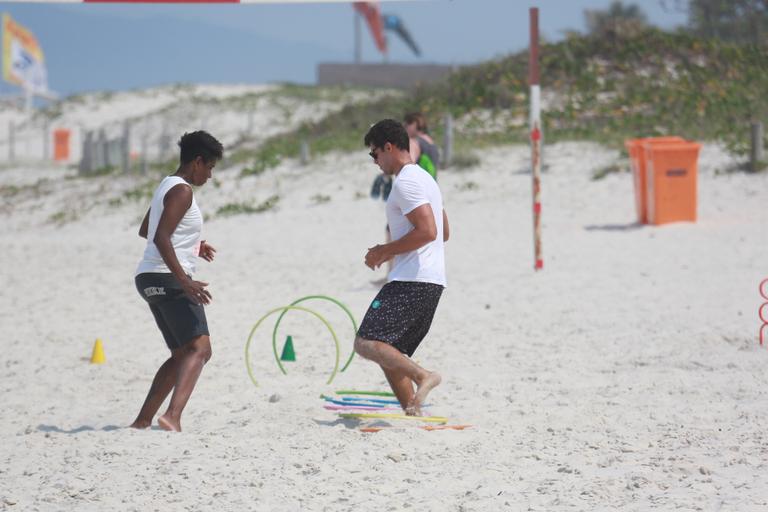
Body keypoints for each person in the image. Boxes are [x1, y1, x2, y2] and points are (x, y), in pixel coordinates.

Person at [130, 130, 223, 432]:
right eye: (209, 167)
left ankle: (143, 420)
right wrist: (184, 280)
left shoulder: (165, 185)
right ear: (197, 161)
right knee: (201, 349)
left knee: (181, 353)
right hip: (169, 279)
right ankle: (173, 416)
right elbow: (158, 235)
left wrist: (194, 245)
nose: (209, 175)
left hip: (148, 278)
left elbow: (148, 228)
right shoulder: (183, 191)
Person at [354, 119, 449, 415]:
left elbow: (429, 232)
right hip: (431, 281)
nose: (375, 161)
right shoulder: (427, 179)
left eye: (375, 154)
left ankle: (423, 376)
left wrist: (384, 250)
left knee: (366, 342)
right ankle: (412, 409)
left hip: (412, 279)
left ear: (389, 147)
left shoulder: (407, 180)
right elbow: (444, 231)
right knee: (390, 351)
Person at [404, 112, 440, 180]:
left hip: (418, 185)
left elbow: (408, 167)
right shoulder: (431, 143)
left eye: (407, 124)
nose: (405, 127)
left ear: (415, 124)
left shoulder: (414, 142)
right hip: (432, 186)